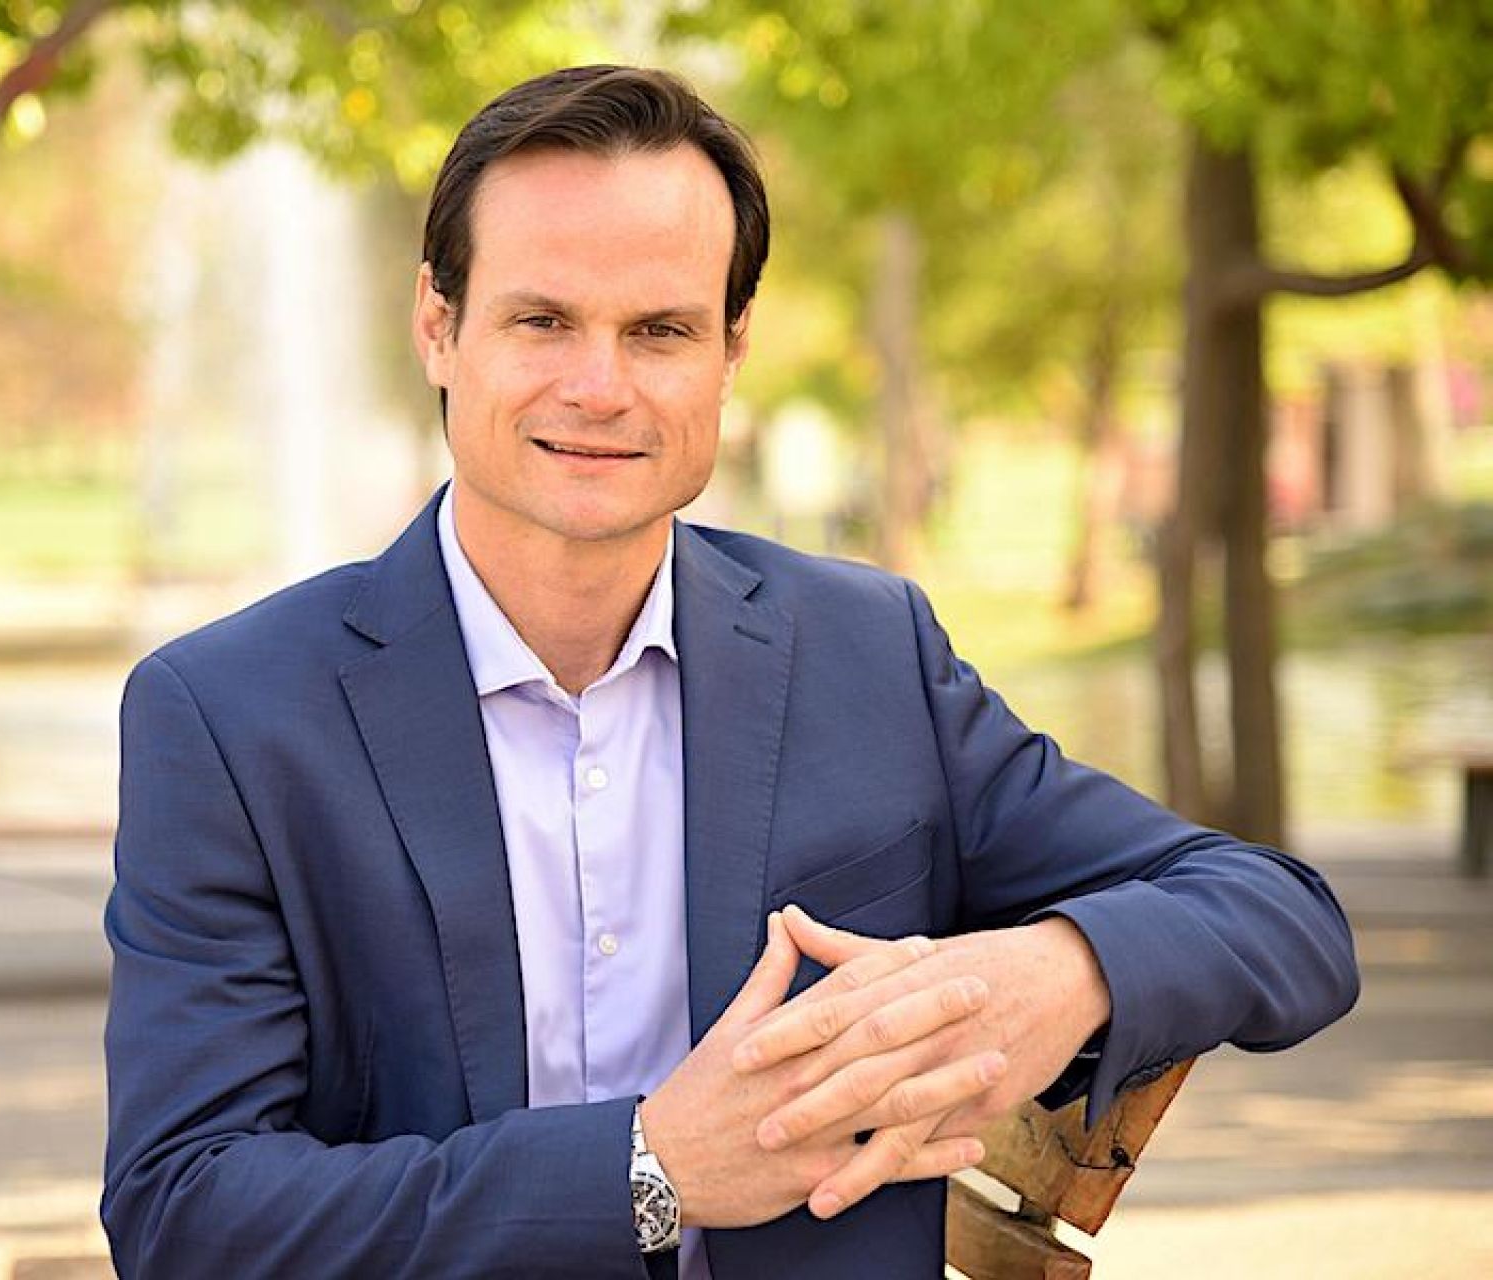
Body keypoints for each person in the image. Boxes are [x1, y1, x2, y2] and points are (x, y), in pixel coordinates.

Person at [101, 65, 1359, 1279]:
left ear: (732, 347)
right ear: (438, 325)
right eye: (542, 321)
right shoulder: (229, 716)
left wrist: (1057, 971)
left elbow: (1283, 916)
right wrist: (645, 1168)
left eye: (660, 330)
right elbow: (183, 1211)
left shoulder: (870, 655)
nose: (599, 387)